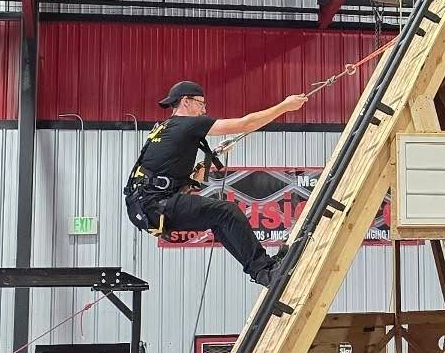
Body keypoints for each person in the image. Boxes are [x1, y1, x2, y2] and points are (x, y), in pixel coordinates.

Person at [123, 79, 308, 286]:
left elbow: (187, 182)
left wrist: (213, 156)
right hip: (155, 203)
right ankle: (264, 270)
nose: (204, 109)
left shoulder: (164, 128)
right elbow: (246, 124)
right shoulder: (188, 124)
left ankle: (262, 270)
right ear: (186, 102)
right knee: (227, 211)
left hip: (145, 204)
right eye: (201, 103)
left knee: (219, 218)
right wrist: (285, 106)